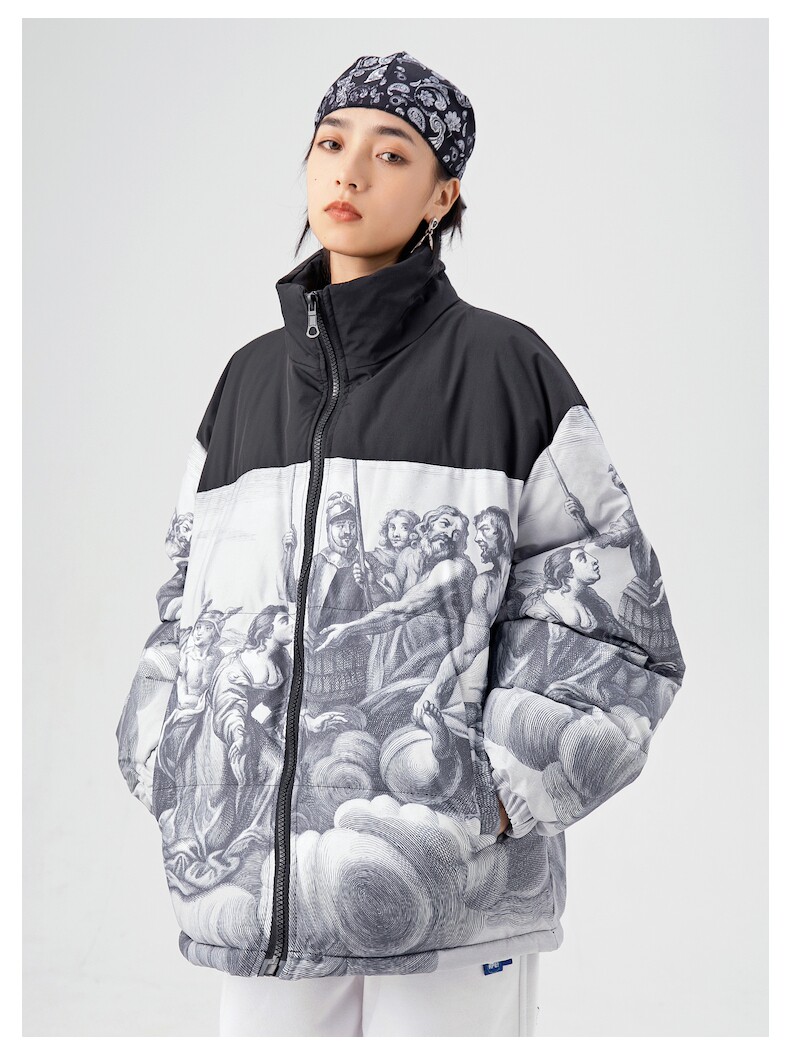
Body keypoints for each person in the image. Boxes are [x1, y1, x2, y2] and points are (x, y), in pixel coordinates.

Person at [115, 50, 687, 1037]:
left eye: (391, 154)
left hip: (447, 897)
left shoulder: (507, 368)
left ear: (441, 194)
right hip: (252, 896)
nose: (349, 171)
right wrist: (171, 767)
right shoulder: (246, 384)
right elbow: (182, 611)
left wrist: (492, 798)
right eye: (330, 144)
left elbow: (616, 624)